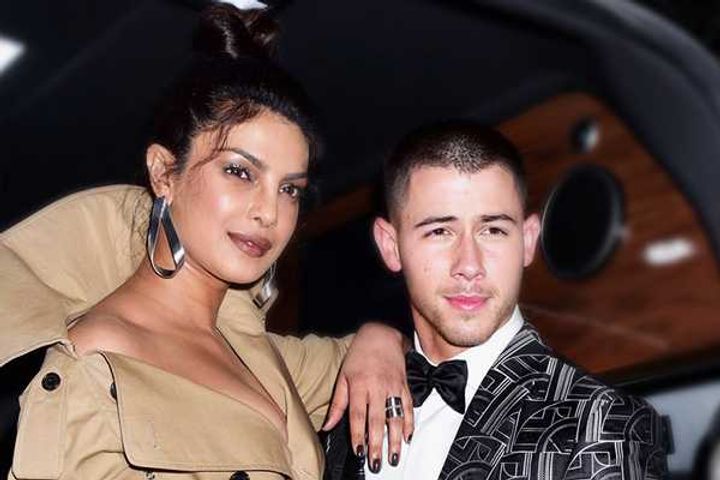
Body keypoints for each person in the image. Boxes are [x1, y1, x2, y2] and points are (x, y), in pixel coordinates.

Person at [0, 4, 413, 479]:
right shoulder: (94, 364)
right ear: (164, 173)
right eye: (240, 172)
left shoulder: (262, 357)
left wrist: (380, 338)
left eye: (290, 189)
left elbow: (413, 354)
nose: (269, 212)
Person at [323, 121, 669, 479]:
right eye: (440, 231)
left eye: (493, 230)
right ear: (391, 246)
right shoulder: (351, 400)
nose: (469, 266)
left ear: (528, 241)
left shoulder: (604, 424)